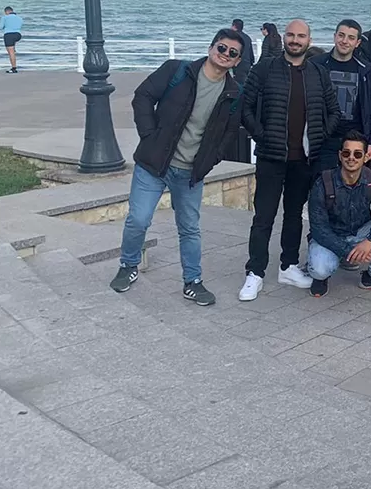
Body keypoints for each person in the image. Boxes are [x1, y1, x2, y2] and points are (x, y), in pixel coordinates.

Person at [111, 29, 245, 306]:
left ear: (237, 61)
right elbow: (144, 95)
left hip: (190, 172)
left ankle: (192, 282)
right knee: (138, 218)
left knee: (189, 228)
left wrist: (212, 159)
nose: (225, 55)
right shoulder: (178, 71)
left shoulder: (233, 93)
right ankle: (128, 265)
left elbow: (231, 133)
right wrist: (150, 135)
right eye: (222, 48)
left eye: (233, 53)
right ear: (211, 48)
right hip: (154, 164)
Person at [238, 20, 340, 302]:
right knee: (263, 217)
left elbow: (334, 112)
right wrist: (261, 135)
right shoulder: (264, 69)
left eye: (301, 36)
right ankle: (255, 273)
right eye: (291, 35)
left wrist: (319, 138)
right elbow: (244, 108)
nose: (295, 40)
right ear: (284, 38)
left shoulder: (318, 73)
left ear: (309, 40)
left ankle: (288, 266)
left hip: (303, 160)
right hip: (271, 157)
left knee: (294, 215)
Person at [306, 131, 371, 296]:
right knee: (320, 270)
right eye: (346, 153)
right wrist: (347, 251)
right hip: (331, 237)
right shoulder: (323, 182)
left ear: (365, 157)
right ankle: (321, 271)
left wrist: (370, 240)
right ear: (340, 155)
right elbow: (318, 228)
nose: (351, 157)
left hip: (360, 233)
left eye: (357, 154)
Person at [313, 19, 371, 172]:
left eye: (351, 38)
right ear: (334, 36)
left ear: (357, 43)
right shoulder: (315, 65)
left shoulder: (366, 70)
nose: (345, 41)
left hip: (354, 140)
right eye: (341, 35)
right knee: (322, 187)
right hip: (323, 139)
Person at [0, 6, 23, 73]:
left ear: (6, 12)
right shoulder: (19, 18)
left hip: (9, 35)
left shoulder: (5, 17)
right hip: (18, 35)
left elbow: (0, 27)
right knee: (12, 47)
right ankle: (14, 47)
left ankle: (14, 68)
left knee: (11, 53)